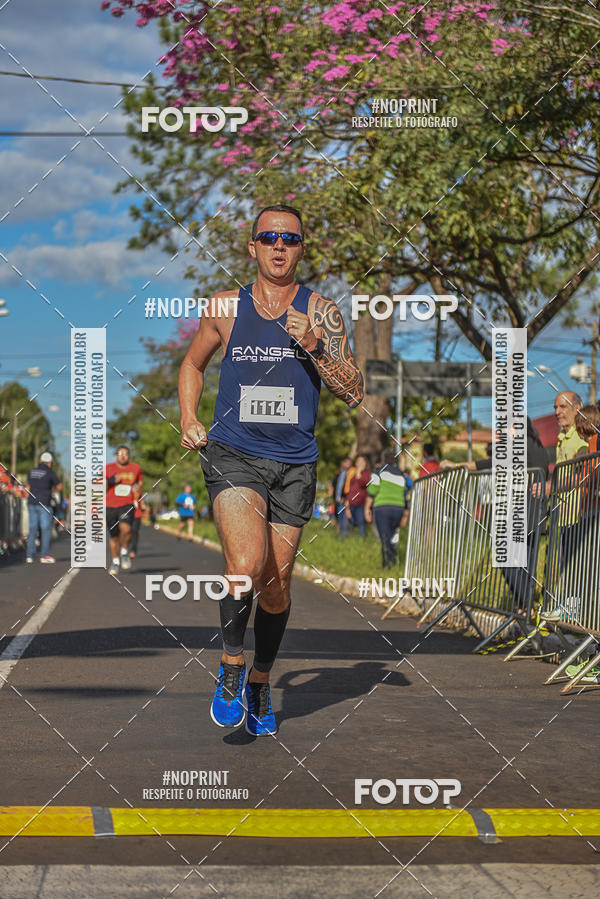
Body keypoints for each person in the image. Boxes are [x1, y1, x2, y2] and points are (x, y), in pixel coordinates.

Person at [179, 203, 363, 736]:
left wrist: (318, 348)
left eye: (290, 239)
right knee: (245, 562)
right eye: (268, 237)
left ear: (302, 249)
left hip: (295, 463)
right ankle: (232, 667)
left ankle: (261, 679)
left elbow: (352, 392)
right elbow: (192, 364)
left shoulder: (323, 311)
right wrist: (190, 417)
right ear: (252, 247)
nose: (279, 246)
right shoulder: (225, 308)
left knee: (277, 584)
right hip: (234, 452)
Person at [366, 449, 412, 568]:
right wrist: (406, 513)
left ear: (383, 459)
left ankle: (386, 565)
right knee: (393, 535)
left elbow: (372, 490)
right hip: (398, 508)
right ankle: (394, 561)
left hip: (383, 508)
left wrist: (367, 508)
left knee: (385, 536)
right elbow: (406, 492)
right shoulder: (401, 474)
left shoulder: (379, 471)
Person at [105, 445, 143, 576]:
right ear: (116, 456)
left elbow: (139, 483)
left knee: (126, 529)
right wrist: (110, 480)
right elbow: (98, 481)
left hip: (126, 504)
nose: (123, 455)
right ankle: (115, 561)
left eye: (125, 453)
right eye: (120, 453)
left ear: (129, 456)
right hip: (110, 505)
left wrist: (137, 491)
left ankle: (125, 551)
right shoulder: (108, 468)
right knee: (114, 536)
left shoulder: (135, 468)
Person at [26, 451, 61, 563]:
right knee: (45, 529)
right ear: (49, 462)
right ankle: (44, 555)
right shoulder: (50, 472)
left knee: (32, 529)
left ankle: (29, 556)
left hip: (32, 503)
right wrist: (52, 492)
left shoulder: (32, 471)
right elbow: (59, 486)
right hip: (44, 504)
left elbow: (27, 486)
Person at [345, 454, 370, 536]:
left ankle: (362, 543)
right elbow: (351, 490)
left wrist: (359, 473)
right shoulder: (353, 476)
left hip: (360, 504)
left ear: (364, 463)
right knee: (350, 524)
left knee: (361, 525)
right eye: (357, 461)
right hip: (351, 504)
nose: (357, 463)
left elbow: (364, 483)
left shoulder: (366, 474)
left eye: (360, 461)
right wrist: (347, 503)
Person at [332, 456, 351, 536]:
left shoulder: (349, 474)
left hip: (344, 500)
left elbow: (347, 487)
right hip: (337, 500)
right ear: (342, 463)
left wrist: (344, 497)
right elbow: (336, 486)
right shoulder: (339, 474)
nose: (348, 464)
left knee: (345, 519)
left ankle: (344, 535)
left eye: (349, 463)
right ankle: (340, 535)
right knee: (338, 518)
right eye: (346, 462)